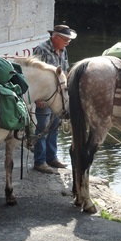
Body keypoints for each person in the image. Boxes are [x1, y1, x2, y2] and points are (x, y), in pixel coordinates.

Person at [31, 24, 76, 173]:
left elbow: (65, 71)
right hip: (44, 97)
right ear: (55, 37)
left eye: (69, 39)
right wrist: (38, 98)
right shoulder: (41, 49)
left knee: (54, 127)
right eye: (65, 39)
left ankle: (52, 157)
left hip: (58, 97)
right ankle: (40, 161)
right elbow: (35, 75)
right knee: (42, 128)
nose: (68, 42)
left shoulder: (63, 50)